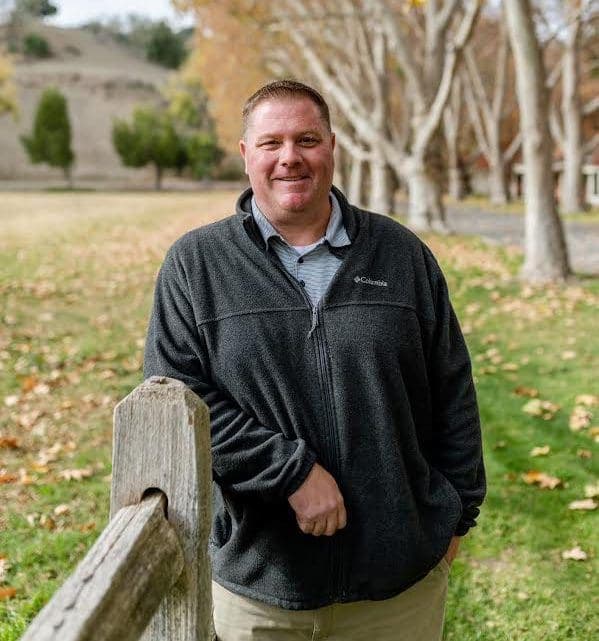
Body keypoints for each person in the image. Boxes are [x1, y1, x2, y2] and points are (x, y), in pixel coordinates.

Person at [144, 80, 486, 641]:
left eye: (306, 139)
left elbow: (453, 390)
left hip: (399, 585)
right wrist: (291, 471)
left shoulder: (402, 255)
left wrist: (457, 516)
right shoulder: (196, 265)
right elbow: (179, 394)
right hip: (261, 581)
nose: (289, 158)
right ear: (245, 154)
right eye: (271, 142)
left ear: (332, 146)